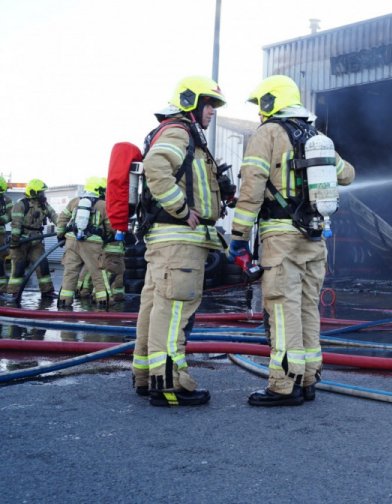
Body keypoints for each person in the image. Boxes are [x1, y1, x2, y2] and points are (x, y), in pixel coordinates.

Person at [230, 74, 354, 406]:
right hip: (314, 237)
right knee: (306, 308)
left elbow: (252, 187)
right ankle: (309, 377)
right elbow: (347, 174)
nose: (258, 113)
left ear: (272, 102)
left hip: (280, 236)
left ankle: (284, 384)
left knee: (283, 310)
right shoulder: (316, 137)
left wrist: (239, 237)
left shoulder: (267, 133)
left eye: (261, 105)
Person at [131, 76, 229, 407]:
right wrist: (181, 208)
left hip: (165, 242)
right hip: (178, 242)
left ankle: (146, 375)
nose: (212, 111)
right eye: (209, 104)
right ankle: (170, 383)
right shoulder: (178, 131)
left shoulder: (180, 132)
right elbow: (156, 166)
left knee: (155, 307)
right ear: (191, 102)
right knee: (175, 310)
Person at [55, 177, 112, 310]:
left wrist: (60, 235)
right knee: (98, 272)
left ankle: (64, 302)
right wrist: (109, 236)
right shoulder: (103, 205)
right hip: (92, 244)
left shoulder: (74, 202)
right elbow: (110, 227)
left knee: (70, 273)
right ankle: (103, 303)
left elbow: (62, 218)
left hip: (72, 241)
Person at [4, 179, 58, 301]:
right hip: (21, 242)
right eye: (41, 192)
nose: (43, 195)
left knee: (42, 266)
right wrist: (15, 240)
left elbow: (54, 216)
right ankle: (14, 294)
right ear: (33, 192)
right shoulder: (21, 204)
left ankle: (47, 291)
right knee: (19, 268)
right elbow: (16, 223)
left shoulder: (43, 205)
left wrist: (64, 227)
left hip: (36, 242)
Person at [0, 177, 12, 291]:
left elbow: (10, 215)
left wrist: (1, 219)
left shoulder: (6, 200)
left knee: (0, 261)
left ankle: (2, 289)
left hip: (0, 235)